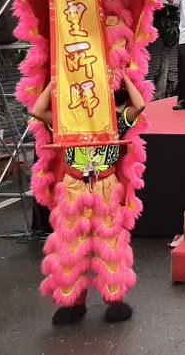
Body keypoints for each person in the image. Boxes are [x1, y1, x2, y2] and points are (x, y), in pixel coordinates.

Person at [30, 72, 146, 325]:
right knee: (70, 247)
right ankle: (74, 303)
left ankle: (115, 300)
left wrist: (125, 77)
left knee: (111, 246)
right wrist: (54, 81)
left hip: (106, 186)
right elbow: (38, 110)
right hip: (73, 187)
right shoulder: (67, 122)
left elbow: (139, 105)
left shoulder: (117, 121)